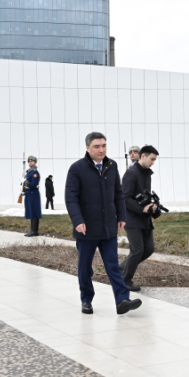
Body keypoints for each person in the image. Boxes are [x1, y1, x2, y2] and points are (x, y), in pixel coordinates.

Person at [65, 132, 142, 316]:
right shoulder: (77, 169)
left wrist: (121, 215)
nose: (101, 150)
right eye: (97, 146)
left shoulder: (112, 166)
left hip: (108, 227)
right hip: (86, 229)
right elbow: (71, 197)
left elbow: (118, 193)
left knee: (113, 265)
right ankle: (86, 300)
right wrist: (78, 221)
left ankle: (122, 300)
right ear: (87, 148)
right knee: (85, 268)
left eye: (104, 146)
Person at [121, 145, 161, 291]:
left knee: (149, 249)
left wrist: (152, 207)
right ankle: (125, 280)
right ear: (143, 156)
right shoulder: (131, 173)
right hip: (131, 218)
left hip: (144, 219)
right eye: (152, 159)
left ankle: (122, 268)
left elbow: (144, 196)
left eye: (155, 160)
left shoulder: (146, 174)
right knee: (137, 250)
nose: (153, 162)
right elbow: (124, 198)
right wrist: (142, 208)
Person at [23, 156, 42, 237]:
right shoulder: (29, 172)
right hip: (29, 194)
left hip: (33, 194)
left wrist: (25, 182)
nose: (30, 162)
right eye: (29, 161)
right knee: (31, 211)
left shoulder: (35, 173)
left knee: (34, 212)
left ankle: (34, 231)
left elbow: (34, 185)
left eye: (32, 161)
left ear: (35, 162)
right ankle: (33, 230)